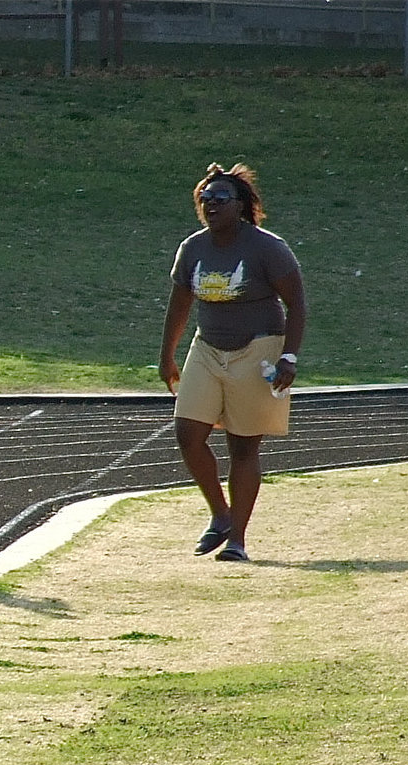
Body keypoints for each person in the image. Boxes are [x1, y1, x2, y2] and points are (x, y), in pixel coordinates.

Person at [159, 162, 306, 563]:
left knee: (242, 446)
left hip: (257, 349)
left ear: (240, 206)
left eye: (220, 199)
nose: (211, 205)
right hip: (207, 348)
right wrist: (167, 355)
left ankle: (237, 540)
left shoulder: (267, 248)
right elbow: (180, 303)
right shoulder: (193, 248)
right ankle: (220, 514)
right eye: (205, 199)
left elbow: (297, 303)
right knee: (187, 434)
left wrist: (289, 356)